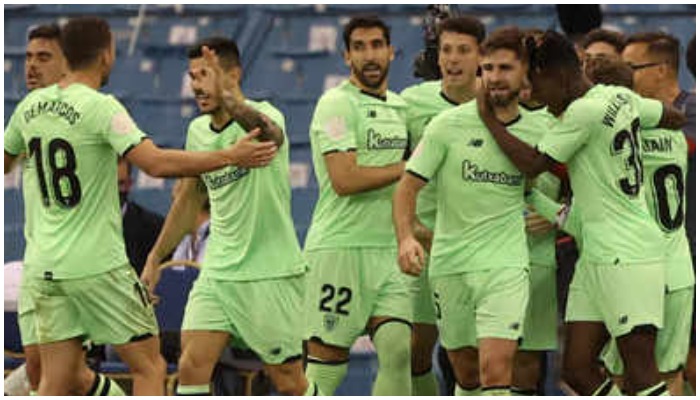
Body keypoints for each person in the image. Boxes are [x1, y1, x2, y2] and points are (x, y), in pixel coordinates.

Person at [3, 17, 278, 396]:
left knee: (55, 380)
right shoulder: (101, 107)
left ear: (65, 56)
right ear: (107, 54)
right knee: (149, 365)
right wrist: (230, 155)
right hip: (96, 264)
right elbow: (156, 163)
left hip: (44, 266)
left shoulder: (29, 108)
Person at [477, 29, 686, 396]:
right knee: (576, 370)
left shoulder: (583, 113)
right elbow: (671, 116)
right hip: (597, 253)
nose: (532, 97)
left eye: (535, 86)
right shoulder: (619, 97)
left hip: (627, 254)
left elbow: (531, 163)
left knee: (641, 372)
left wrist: (488, 118)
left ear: (558, 76)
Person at [141, 37, 319, 396]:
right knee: (191, 365)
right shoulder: (197, 131)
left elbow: (274, 135)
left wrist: (232, 100)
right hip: (219, 273)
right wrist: (154, 258)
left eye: (205, 75)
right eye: (192, 76)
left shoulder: (262, 118)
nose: (196, 85)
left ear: (232, 75)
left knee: (288, 381)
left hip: (269, 273)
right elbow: (189, 199)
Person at [394, 27, 551, 396]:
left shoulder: (541, 127)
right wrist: (405, 237)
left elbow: (573, 183)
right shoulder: (447, 125)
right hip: (451, 265)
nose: (495, 77)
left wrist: (560, 214)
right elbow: (406, 187)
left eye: (505, 68)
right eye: (489, 68)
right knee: (466, 375)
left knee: (496, 370)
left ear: (524, 71)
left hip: (507, 265)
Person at [9, 23, 126, 397]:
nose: (31, 67)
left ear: (67, 63)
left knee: (56, 374)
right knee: (45, 369)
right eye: (28, 57)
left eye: (44, 58)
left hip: (79, 264)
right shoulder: (27, 116)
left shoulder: (91, 113)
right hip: (39, 261)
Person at [303, 16, 413, 396]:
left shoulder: (401, 108)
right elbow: (345, 179)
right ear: (346, 56)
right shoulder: (334, 104)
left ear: (391, 52)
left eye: (377, 45)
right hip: (340, 250)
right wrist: (407, 167)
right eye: (361, 47)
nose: (370, 55)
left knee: (399, 352)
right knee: (325, 366)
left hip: (390, 251)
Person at [579, 56, 695, 396]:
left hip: (635, 266)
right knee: (670, 373)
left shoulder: (616, 138)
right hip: (677, 268)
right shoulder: (674, 136)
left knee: (626, 374)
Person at [399, 15, 485, 396]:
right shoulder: (412, 104)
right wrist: (412, 228)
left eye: (463, 51)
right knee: (416, 354)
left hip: (484, 248)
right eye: (446, 50)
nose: (452, 60)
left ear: (480, 56)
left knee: (480, 357)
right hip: (428, 245)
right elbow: (397, 177)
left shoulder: (497, 101)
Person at [622, 32, 696, 394]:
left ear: (662, 70)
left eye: (631, 68)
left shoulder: (693, 113)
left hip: (685, 256)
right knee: (632, 364)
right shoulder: (624, 118)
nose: (625, 76)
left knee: (684, 362)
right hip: (639, 260)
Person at [119, 157, 165, 275]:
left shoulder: (155, 229)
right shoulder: (83, 225)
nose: (116, 190)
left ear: (130, 184)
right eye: (110, 185)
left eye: (121, 183)